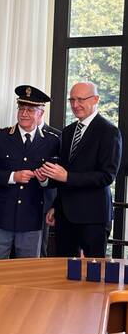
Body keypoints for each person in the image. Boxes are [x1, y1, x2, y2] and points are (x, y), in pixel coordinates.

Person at [40, 81, 122, 258]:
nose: (75, 105)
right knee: (63, 272)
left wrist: (68, 177)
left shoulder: (109, 131)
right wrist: (56, 204)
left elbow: (107, 176)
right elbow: (62, 172)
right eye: (72, 100)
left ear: (96, 99)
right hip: (65, 216)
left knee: (93, 275)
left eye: (80, 99)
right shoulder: (68, 131)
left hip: (93, 217)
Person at [0, 85, 60, 260]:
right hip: (1, 217)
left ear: (40, 114)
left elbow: (57, 180)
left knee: (29, 274)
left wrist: (45, 180)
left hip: (32, 218)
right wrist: (12, 177)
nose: (24, 114)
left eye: (30, 110)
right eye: (21, 108)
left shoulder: (52, 142)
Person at [37, 114, 61, 257]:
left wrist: (56, 204)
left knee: (41, 247)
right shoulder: (13, 135)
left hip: (46, 200)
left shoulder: (58, 136)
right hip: (22, 200)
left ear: (40, 111)